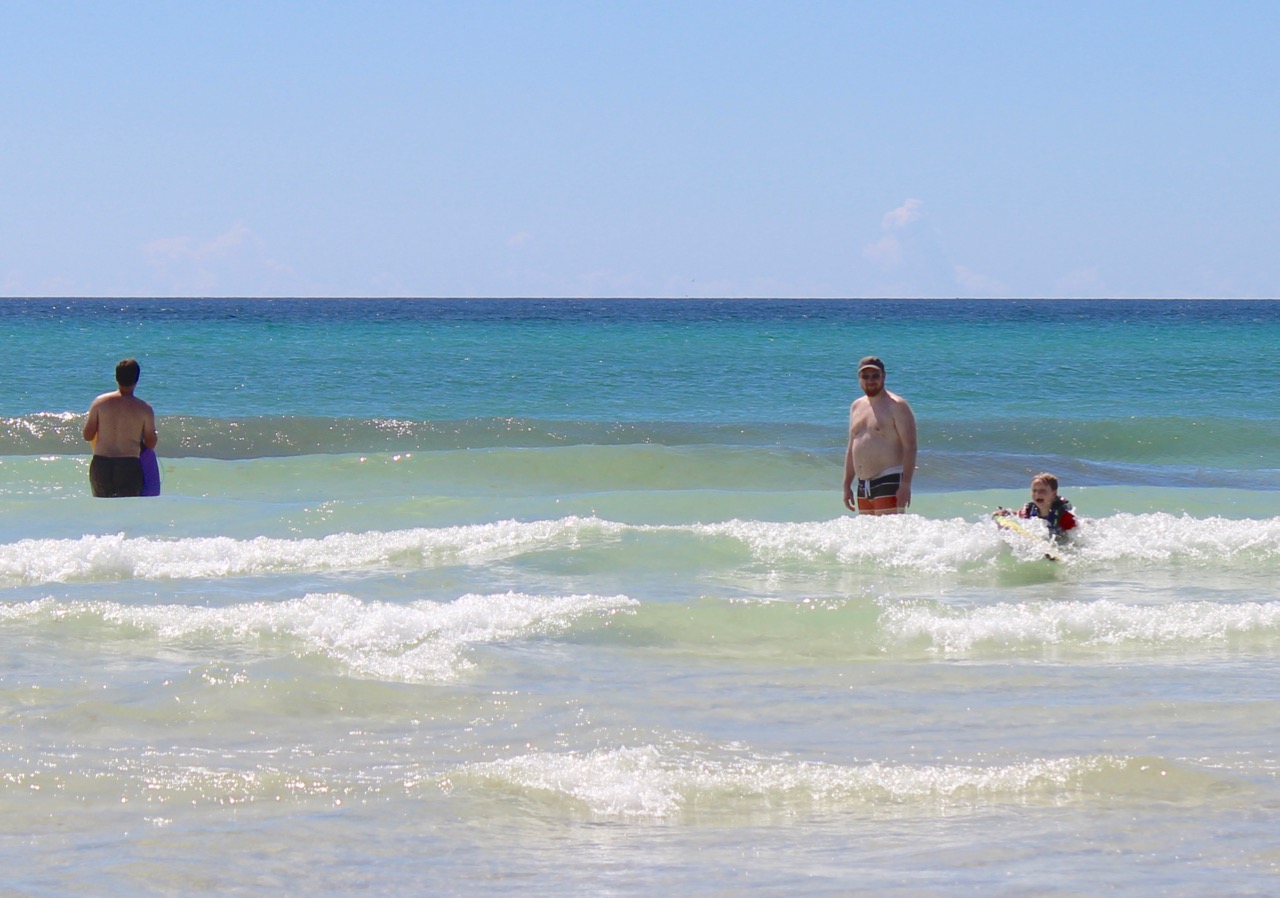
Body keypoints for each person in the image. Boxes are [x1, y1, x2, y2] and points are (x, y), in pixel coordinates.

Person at [842, 356, 917, 515]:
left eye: (875, 376)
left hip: (889, 479)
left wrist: (906, 484)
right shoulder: (856, 406)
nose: (870, 380)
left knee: (889, 530)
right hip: (863, 485)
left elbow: (910, 447)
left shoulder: (897, 405)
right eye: (865, 376)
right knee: (868, 531)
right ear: (859, 378)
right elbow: (851, 448)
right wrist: (847, 485)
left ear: (884, 376)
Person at [83, 358, 158, 498]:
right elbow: (150, 443)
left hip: (101, 464)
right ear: (137, 379)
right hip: (129, 465)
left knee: (104, 506)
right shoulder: (144, 409)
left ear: (116, 377)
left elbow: (87, 435)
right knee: (127, 508)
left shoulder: (99, 403)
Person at [995, 472, 1078, 539]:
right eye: (1034, 490)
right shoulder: (1029, 510)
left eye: (1042, 491)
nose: (1037, 494)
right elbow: (1016, 514)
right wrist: (1005, 513)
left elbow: (1076, 538)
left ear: (1054, 494)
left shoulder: (1064, 517)